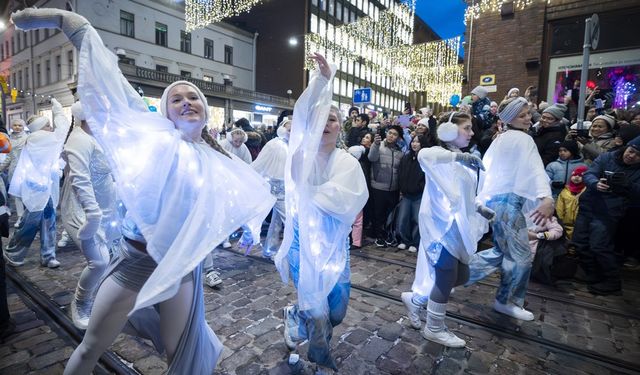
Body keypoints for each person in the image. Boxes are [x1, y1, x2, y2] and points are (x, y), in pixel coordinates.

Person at [10, 8, 274, 374]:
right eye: (177, 98)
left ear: (204, 108)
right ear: (164, 111)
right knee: (90, 348)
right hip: (133, 265)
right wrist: (74, 25)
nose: (186, 102)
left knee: (179, 357)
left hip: (180, 271)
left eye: (193, 97)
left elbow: (250, 189)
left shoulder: (216, 157)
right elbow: (112, 88)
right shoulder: (153, 137)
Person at [275, 53, 367, 374]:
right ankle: (320, 361)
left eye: (333, 119)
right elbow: (302, 116)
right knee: (317, 313)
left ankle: (293, 315)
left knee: (336, 313)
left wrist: (318, 196)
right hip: (304, 244)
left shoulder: (348, 163)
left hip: (335, 249)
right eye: (322, 118)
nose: (327, 123)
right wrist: (322, 83)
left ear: (340, 127)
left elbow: (352, 198)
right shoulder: (301, 157)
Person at [401, 111, 493, 347]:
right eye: (467, 128)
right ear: (449, 131)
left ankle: (417, 298)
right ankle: (434, 327)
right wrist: (458, 159)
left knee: (461, 276)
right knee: (445, 276)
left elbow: (464, 195)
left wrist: (479, 208)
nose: (472, 133)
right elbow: (424, 154)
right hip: (439, 226)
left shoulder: (464, 160)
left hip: (459, 227)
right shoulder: (438, 155)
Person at [466, 97, 555, 321]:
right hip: (507, 203)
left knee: (502, 251)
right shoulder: (523, 140)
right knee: (521, 255)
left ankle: (452, 276)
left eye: (528, 114)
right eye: (522, 114)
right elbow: (536, 170)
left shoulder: (502, 139)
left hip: (498, 202)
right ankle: (506, 301)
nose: (528, 118)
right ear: (510, 118)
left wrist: (483, 199)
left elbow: (488, 172)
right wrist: (546, 197)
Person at [60, 101, 121, 329]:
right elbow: (80, 179)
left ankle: (104, 298)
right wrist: (92, 215)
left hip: (108, 209)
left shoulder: (100, 138)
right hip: (83, 210)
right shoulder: (79, 139)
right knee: (99, 261)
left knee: (113, 258)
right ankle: (80, 304)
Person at [572, 136, 640, 295]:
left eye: (638, 155)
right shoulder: (607, 157)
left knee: (599, 245)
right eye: (631, 151)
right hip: (589, 205)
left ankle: (612, 281)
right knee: (579, 242)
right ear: (627, 147)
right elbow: (590, 173)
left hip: (609, 212)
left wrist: (628, 185)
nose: (632, 156)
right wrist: (595, 183)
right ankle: (592, 274)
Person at [3, 107, 70, 269]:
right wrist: (57, 109)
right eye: (48, 125)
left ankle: (47, 256)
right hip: (37, 189)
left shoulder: (39, 138)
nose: (50, 127)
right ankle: (14, 252)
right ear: (40, 128)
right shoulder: (40, 138)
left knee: (48, 221)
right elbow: (63, 128)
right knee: (31, 223)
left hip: (42, 187)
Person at [251, 116, 291, 257]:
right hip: (275, 185)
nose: (291, 131)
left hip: (288, 187)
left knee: (277, 221)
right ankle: (293, 250)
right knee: (289, 219)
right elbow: (260, 162)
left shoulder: (293, 145)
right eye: (288, 128)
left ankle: (270, 249)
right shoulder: (274, 144)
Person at [368, 124, 403, 247]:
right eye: (390, 133)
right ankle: (379, 236)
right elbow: (371, 158)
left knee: (391, 214)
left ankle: (388, 234)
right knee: (378, 214)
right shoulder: (379, 146)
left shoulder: (399, 151)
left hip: (393, 188)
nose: (391, 136)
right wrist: (375, 144)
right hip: (378, 186)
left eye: (394, 134)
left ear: (398, 138)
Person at [395, 134, 429, 253]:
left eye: (417, 142)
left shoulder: (425, 159)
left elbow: (427, 177)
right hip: (406, 194)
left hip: (419, 194)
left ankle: (415, 242)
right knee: (403, 218)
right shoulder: (406, 157)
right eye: (413, 141)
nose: (414, 144)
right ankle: (405, 240)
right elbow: (401, 173)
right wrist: (402, 187)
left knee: (417, 219)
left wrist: (420, 187)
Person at [0, 119, 28, 228]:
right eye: (15, 125)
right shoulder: (10, 139)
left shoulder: (28, 138)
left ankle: (28, 216)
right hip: (14, 170)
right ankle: (20, 217)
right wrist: (1, 168)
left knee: (27, 194)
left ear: (23, 126)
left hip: (26, 169)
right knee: (16, 195)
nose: (17, 127)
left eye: (20, 125)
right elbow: (9, 157)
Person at [348, 132, 373, 248]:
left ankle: (356, 241)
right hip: (349, 187)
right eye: (363, 137)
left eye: (367, 138)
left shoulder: (368, 155)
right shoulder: (356, 154)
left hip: (360, 188)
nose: (364, 139)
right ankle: (349, 238)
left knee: (358, 217)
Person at [555, 166, 588, 240]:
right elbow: (559, 209)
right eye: (575, 175)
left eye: (580, 175)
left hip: (581, 226)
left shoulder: (587, 192)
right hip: (566, 226)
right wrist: (559, 222)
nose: (576, 177)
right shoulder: (564, 192)